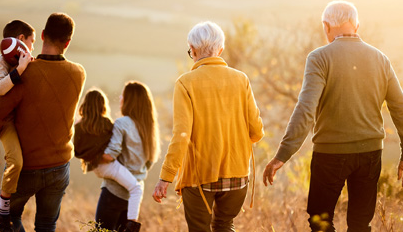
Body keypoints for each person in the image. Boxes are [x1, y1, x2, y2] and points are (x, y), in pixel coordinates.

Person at [262, 0, 403, 232]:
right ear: (356, 26)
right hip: (370, 154)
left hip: (330, 155)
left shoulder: (319, 58)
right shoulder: (380, 59)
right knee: (360, 224)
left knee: (321, 222)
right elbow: (402, 109)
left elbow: (306, 109)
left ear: (326, 26)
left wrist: (283, 155)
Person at [153, 21, 264, 232]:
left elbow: (181, 136)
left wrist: (165, 177)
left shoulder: (185, 83)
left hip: (199, 178)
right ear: (220, 50)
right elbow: (257, 132)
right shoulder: (242, 80)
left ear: (193, 51)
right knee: (224, 225)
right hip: (238, 174)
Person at [0, 12, 85, 232]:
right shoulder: (79, 73)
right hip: (59, 167)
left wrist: (3, 134)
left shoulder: (24, 72)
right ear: (68, 42)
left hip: (26, 166)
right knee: (46, 225)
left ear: (42, 35)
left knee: (9, 218)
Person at [73, 89, 145, 231]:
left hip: (96, 168)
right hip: (108, 165)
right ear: (102, 105)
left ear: (85, 105)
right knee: (136, 187)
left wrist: (93, 156)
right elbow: (114, 148)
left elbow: (77, 151)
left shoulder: (79, 126)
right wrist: (101, 156)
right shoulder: (106, 123)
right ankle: (131, 226)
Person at [0, 19, 36, 231]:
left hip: (20, 115)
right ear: (21, 40)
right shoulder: (0, 63)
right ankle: (3, 207)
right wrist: (20, 69)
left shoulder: (22, 59)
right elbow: (0, 88)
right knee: (15, 160)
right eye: (31, 42)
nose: (32, 48)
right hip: (5, 118)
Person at [93, 81, 160, 232]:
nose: (121, 97)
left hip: (114, 192)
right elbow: (149, 162)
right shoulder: (149, 128)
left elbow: (111, 155)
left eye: (124, 94)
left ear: (129, 100)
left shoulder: (121, 123)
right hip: (133, 197)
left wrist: (93, 156)